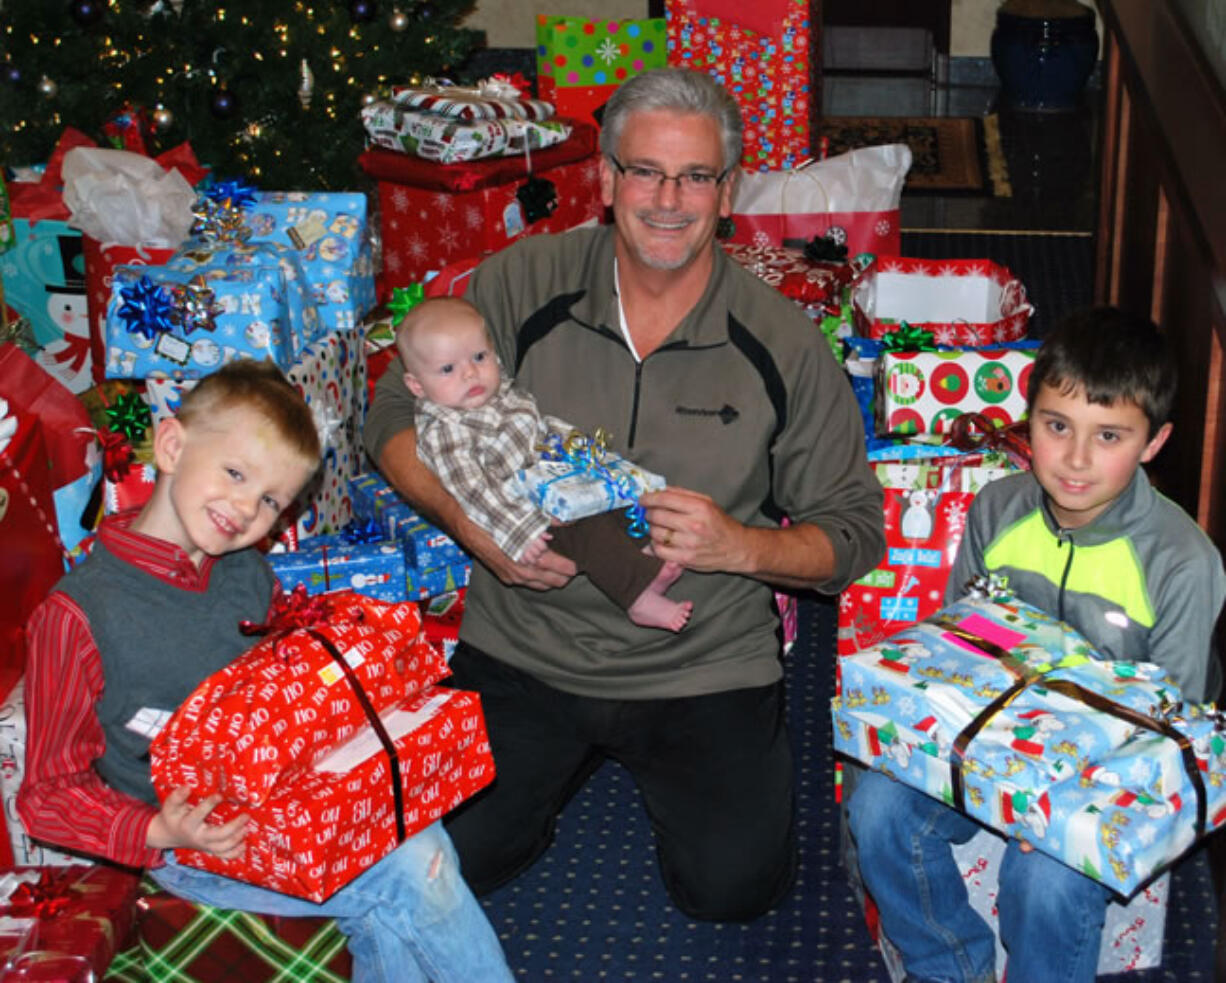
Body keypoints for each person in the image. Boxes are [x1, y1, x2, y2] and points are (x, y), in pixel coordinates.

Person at [364, 67, 885, 920]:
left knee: (736, 888)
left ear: (730, 192)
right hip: (526, 644)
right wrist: (474, 528)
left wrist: (742, 547)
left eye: (696, 176)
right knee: (445, 859)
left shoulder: (783, 340)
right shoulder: (522, 284)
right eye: (645, 170)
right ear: (605, 180)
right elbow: (389, 407)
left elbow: (854, 530)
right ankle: (526, 803)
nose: (669, 198)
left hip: (702, 655)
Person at [18, 359, 514, 983]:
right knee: (413, 866)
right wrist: (155, 827)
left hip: (286, 796)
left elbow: (283, 690)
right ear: (172, 444)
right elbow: (45, 797)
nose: (245, 508)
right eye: (234, 473)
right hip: (191, 841)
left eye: (270, 500)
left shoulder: (245, 571)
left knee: (411, 828)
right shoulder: (79, 613)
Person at [848, 305, 1226, 983]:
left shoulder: (1182, 562)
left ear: (1153, 441)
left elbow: (1170, 729)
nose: (1076, 459)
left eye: (1108, 435)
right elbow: (956, 649)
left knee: (1046, 873)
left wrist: (1051, 800)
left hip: (1113, 772)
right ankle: (946, 963)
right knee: (876, 806)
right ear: (1029, 418)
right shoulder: (997, 507)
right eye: (1057, 426)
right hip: (995, 738)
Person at [397, 296, 693, 632]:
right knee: (588, 532)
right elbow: (473, 490)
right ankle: (638, 596)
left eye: (479, 357)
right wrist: (520, 529)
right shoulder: (447, 432)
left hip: (557, 481)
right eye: (448, 369)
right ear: (417, 386)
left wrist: (582, 451)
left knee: (617, 500)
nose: (470, 373)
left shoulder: (503, 396)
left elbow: (543, 426)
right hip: (526, 512)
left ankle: (645, 553)